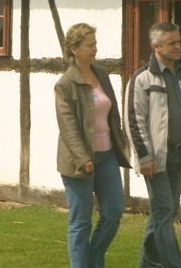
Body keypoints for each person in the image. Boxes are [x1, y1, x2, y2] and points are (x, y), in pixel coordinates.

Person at [125, 22, 181, 268]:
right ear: (156, 47)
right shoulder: (142, 79)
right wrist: (144, 157)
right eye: (171, 43)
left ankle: (147, 264)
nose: (177, 47)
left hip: (180, 155)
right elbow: (133, 119)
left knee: (167, 213)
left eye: (179, 42)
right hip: (156, 159)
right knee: (163, 211)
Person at [54, 23, 130, 268]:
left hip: (107, 156)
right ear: (74, 48)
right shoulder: (65, 84)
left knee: (114, 212)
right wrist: (82, 158)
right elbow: (68, 128)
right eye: (90, 45)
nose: (95, 49)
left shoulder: (102, 74)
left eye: (95, 44)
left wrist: (121, 142)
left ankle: (93, 259)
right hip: (79, 163)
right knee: (80, 222)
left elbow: (113, 113)